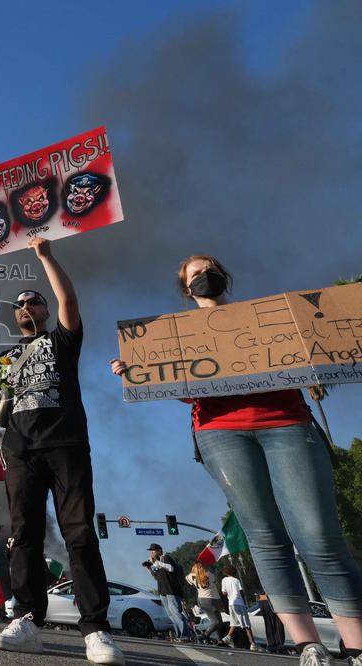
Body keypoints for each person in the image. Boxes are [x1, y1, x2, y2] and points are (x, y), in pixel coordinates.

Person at [110, 255, 362, 666]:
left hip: (287, 423)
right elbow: (191, 392)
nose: (204, 276)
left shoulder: (271, 318)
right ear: (186, 289)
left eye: (209, 269)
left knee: (319, 534)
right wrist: (140, 372)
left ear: (223, 277)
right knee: (264, 536)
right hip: (220, 434)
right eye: (195, 275)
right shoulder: (174, 336)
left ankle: (357, 646)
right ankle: (308, 645)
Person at [0, 238, 123, 665]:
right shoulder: (5, 358)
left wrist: (45, 257)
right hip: (20, 451)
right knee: (25, 536)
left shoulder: (61, 340)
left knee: (78, 531)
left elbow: (70, 299)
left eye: (34, 301)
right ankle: (27, 620)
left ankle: (95, 628)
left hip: (67, 444)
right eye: (20, 303)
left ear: (44, 310)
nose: (26, 306)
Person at [143, 544, 192, 641]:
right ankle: (179, 636)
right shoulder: (158, 563)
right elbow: (156, 576)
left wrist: (156, 561)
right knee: (171, 615)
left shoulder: (166, 557)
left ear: (159, 551)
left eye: (153, 551)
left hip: (171, 590)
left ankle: (185, 635)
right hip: (162, 591)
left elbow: (171, 568)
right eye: (150, 551)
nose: (151, 553)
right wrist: (149, 568)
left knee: (176, 613)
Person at [220, 565, 257, 651]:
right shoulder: (236, 580)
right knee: (246, 624)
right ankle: (252, 643)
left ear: (226, 572)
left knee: (234, 622)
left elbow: (224, 593)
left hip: (231, 603)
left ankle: (228, 637)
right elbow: (241, 591)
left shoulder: (224, 580)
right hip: (239, 603)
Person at [187, 561, 224, 643]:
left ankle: (219, 639)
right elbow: (215, 580)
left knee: (218, 621)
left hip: (202, 600)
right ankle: (205, 635)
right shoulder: (209, 575)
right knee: (216, 621)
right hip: (213, 599)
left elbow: (187, 578)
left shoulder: (192, 576)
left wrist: (193, 570)